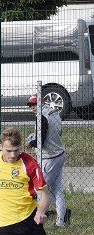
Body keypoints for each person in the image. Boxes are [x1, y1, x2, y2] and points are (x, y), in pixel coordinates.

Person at [27, 94, 70, 227]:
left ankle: (39, 219)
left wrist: (31, 143)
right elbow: (57, 131)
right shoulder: (54, 112)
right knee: (57, 190)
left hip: (49, 158)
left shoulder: (41, 117)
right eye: (30, 105)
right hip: (59, 153)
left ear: (41, 103)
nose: (32, 107)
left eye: (34, 104)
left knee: (40, 190)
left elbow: (41, 141)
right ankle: (62, 220)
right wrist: (36, 135)